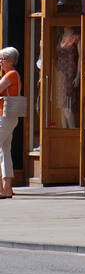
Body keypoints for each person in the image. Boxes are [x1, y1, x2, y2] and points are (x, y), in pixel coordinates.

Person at [0, 47, 22, 199]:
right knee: (5, 150)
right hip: (10, 116)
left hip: (5, 116)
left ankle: (2, 190)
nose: (0, 62)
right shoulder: (11, 74)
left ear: (11, 61)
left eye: (3, 59)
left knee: (4, 150)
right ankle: (7, 188)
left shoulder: (11, 74)